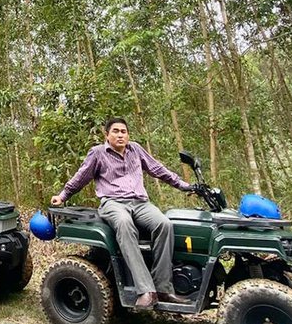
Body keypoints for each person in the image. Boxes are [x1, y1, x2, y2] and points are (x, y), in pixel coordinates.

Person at [51, 117, 192, 309]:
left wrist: (183, 185)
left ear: (128, 134)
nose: (120, 135)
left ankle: (163, 288)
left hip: (140, 203)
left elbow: (158, 169)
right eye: (115, 131)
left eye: (123, 131)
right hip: (113, 203)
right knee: (125, 224)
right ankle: (146, 290)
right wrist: (63, 195)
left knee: (164, 224)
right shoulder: (98, 153)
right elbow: (81, 176)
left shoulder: (136, 149)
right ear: (107, 135)